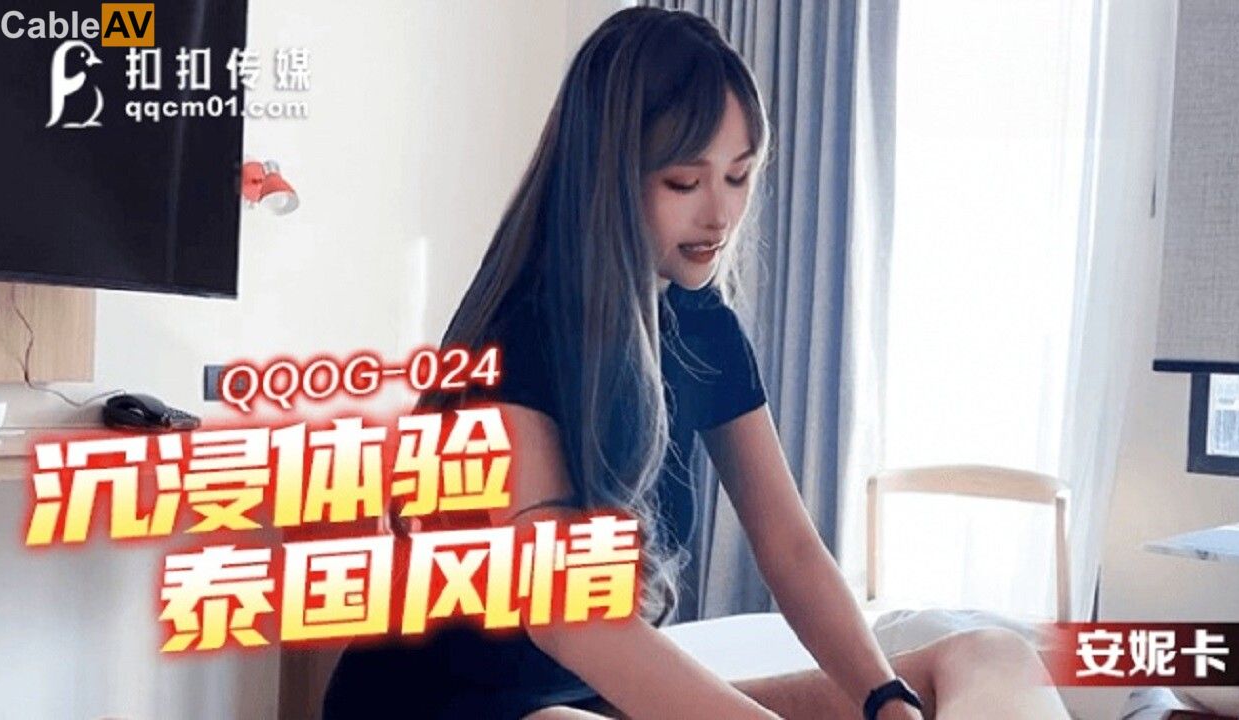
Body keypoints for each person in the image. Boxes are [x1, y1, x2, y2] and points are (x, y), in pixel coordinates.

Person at [323, 7, 1070, 719]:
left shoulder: (700, 324)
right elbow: (566, 617)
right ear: (607, 177)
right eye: (685, 182)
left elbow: (790, 549)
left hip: (587, 698)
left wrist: (885, 699)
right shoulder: (517, 337)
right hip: (450, 704)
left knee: (989, 654)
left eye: (739, 176)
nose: (720, 215)